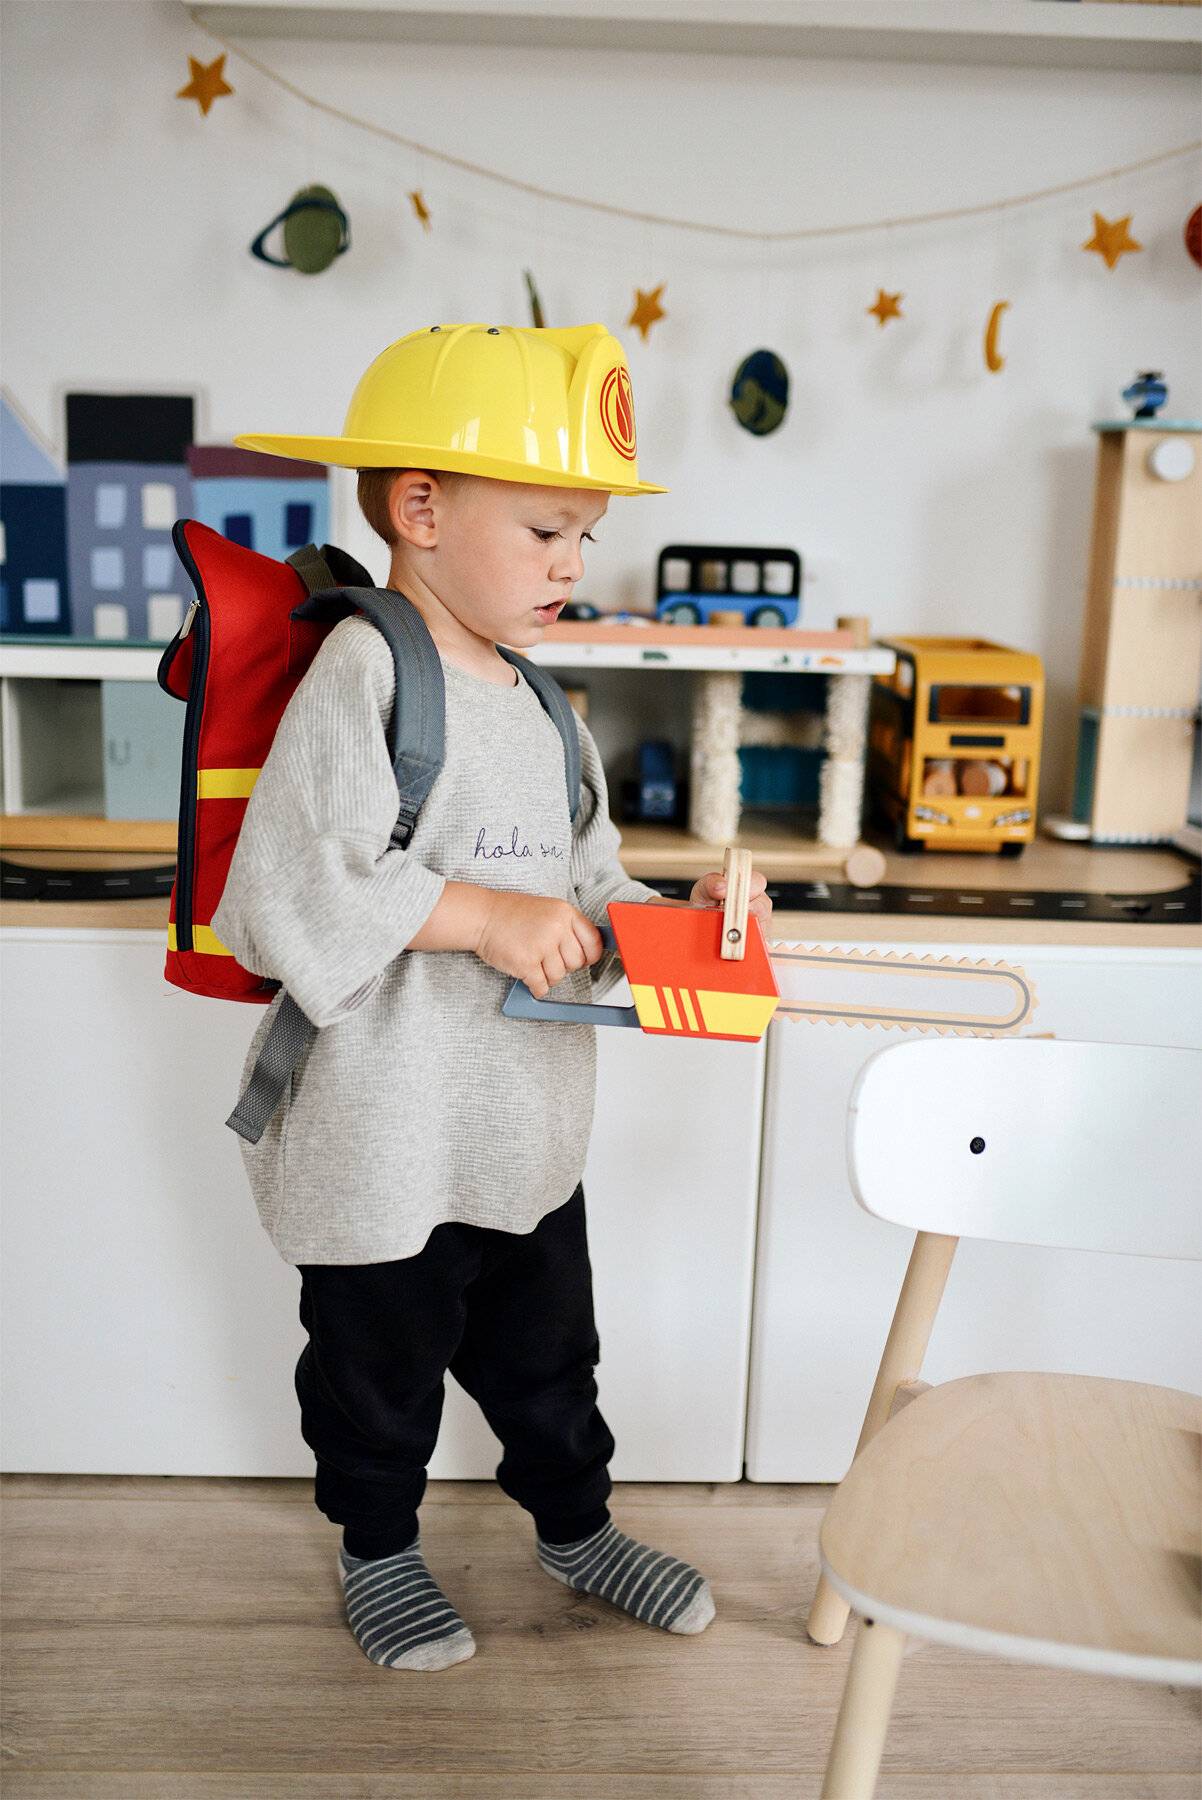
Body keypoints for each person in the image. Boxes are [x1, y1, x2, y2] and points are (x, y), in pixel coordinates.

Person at [212, 322, 773, 1671]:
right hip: (378, 1136)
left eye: (585, 536)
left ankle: (577, 1530)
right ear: (420, 511)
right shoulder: (365, 674)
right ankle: (378, 1549)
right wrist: (482, 917)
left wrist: (679, 921)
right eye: (545, 531)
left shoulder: (543, 705)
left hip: (519, 1132)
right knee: (376, 1377)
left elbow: (591, 884)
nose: (575, 564)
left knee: (551, 1364)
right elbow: (290, 889)